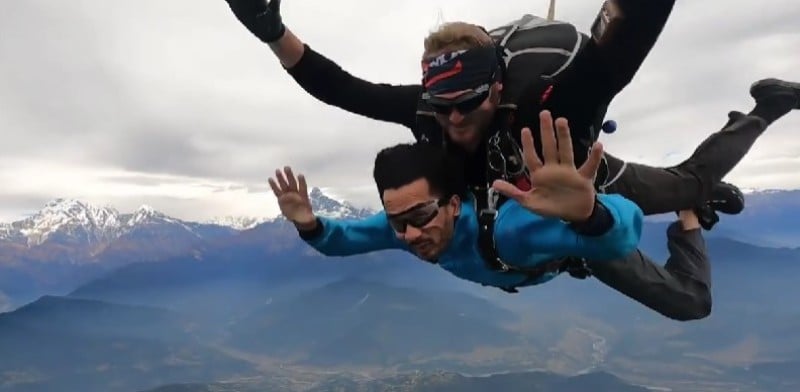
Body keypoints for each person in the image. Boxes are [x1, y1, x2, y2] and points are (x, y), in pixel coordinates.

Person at [222, 0, 798, 227]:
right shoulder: (426, 110)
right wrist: (274, 35)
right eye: (442, 107)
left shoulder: (555, 100)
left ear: (498, 87)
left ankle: (764, 109)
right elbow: (343, 88)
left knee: (689, 184)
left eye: (467, 104)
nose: (452, 120)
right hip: (521, 196)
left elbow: (619, 42)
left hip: (581, 170)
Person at [268, 111, 715, 321]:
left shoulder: (510, 232)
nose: (407, 234)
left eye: (420, 215)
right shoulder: (408, 226)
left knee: (691, 302)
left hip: (575, 241)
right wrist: (308, 222)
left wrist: (590, 214)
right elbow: (343, 239)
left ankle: (692, 212)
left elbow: (621, 232)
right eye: (396, 221)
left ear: (454, 203)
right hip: (564, 223)